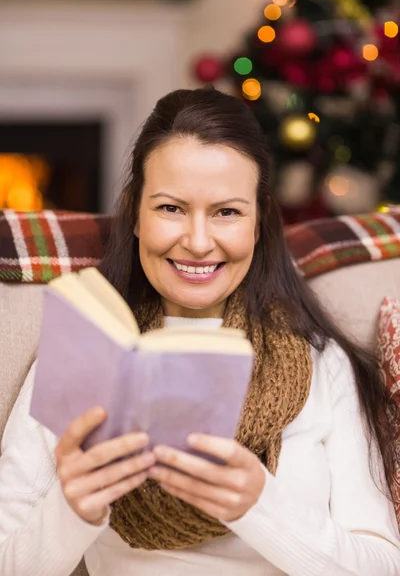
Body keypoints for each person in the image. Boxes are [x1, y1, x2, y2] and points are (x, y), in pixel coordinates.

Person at [0, 87, 399, 576]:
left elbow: (383, 565)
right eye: (170, 208)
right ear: (136, 214)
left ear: (258, 223)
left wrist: (258, 505)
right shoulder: (84, 353)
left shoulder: (322, 363)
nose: (197, 242)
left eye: (227, 212)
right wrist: (71, 510)